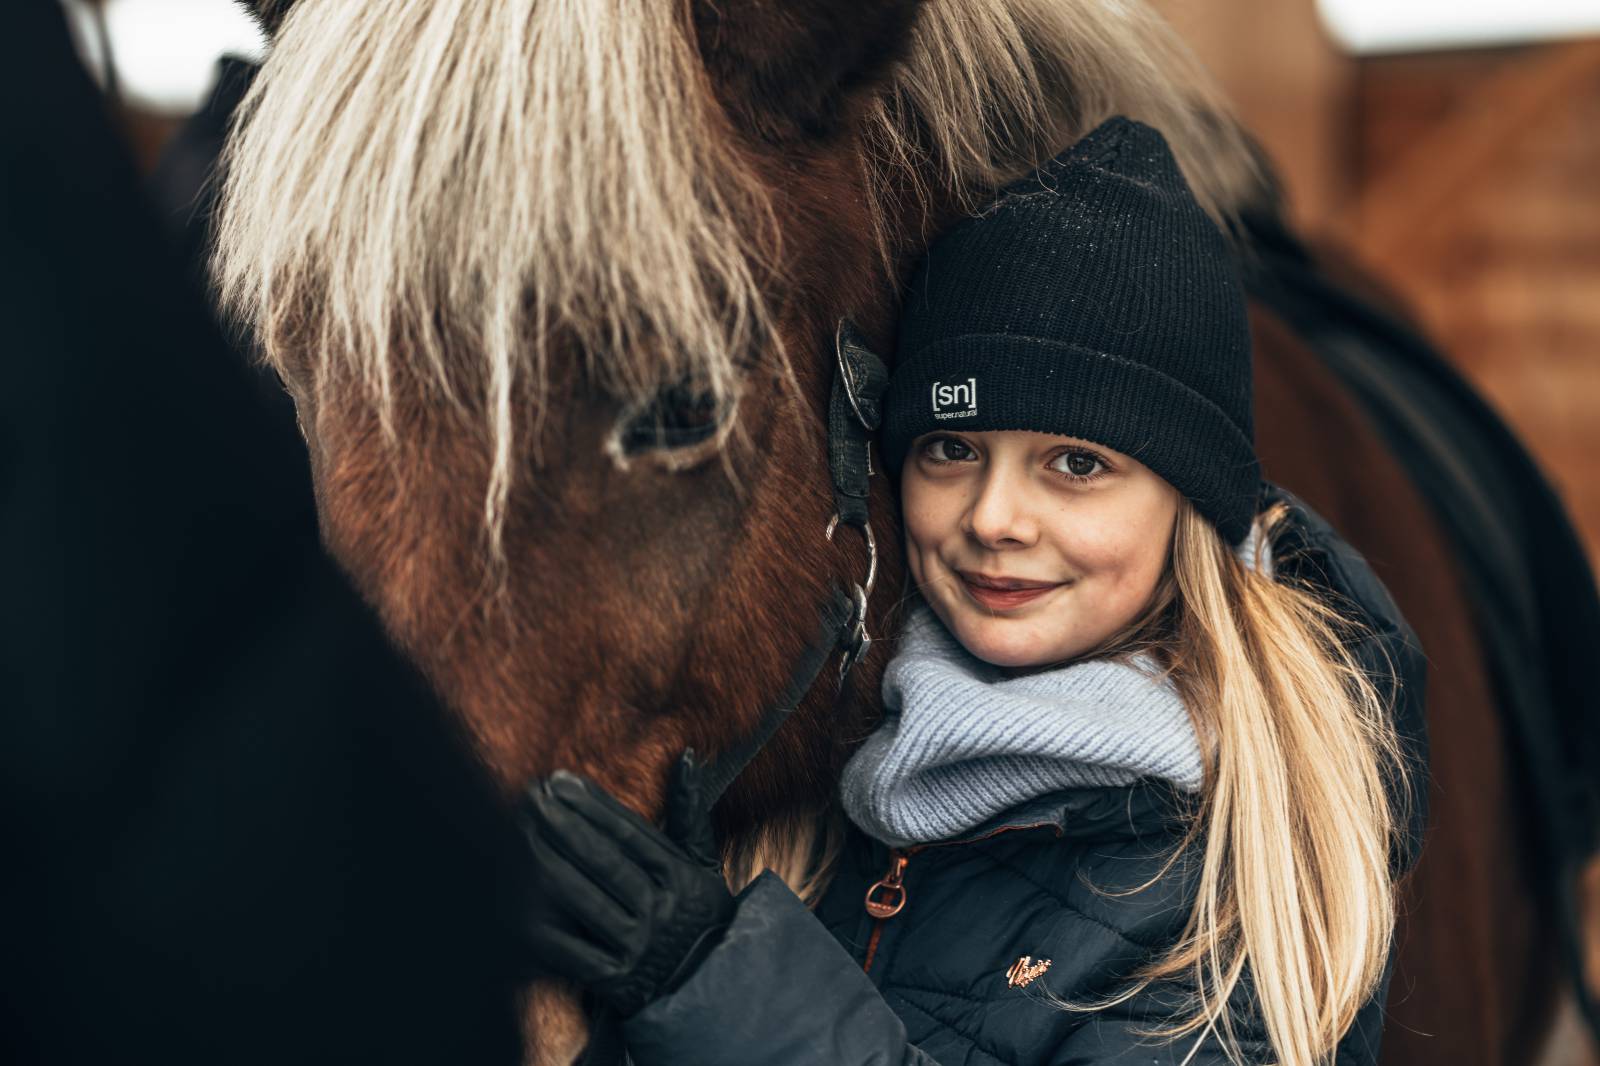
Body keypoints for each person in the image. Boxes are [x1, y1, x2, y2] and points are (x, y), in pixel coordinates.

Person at [514, 116, 1430, 1065]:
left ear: (1189, 506)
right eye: (952, 449)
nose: (994, 517)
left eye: (1076, 462)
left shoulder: (1243, 875)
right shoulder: (831, 757)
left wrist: (714, 989)